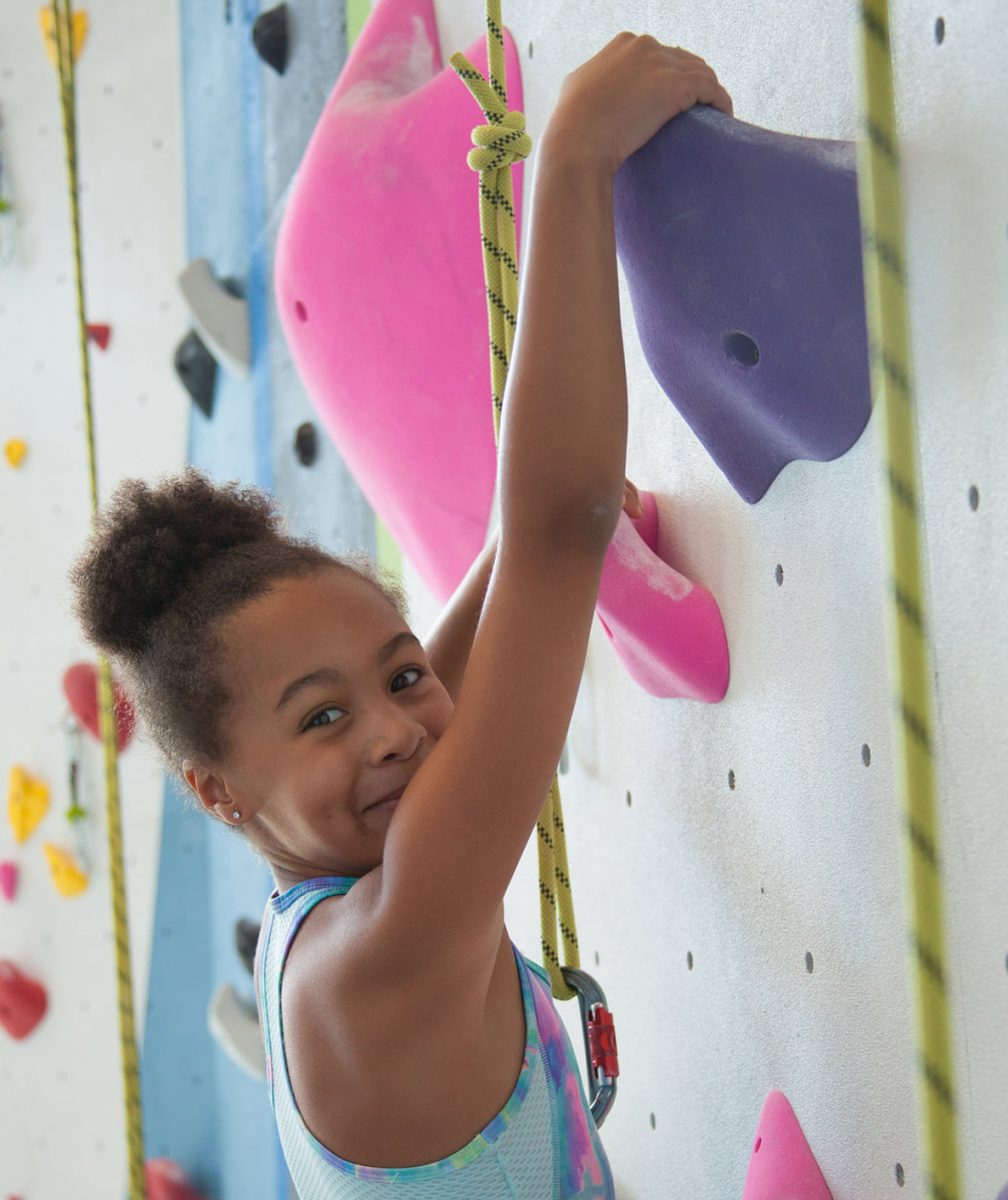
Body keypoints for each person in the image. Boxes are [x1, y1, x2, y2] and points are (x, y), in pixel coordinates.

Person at [69, 32, 732, 1199]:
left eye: (397, 676)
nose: (391, 727)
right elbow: (557, 523)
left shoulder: (321, 917)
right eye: (320, 719)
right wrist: (572, 158)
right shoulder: (383, 958)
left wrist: (496, 573)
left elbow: (474, 631)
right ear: (216, 790)